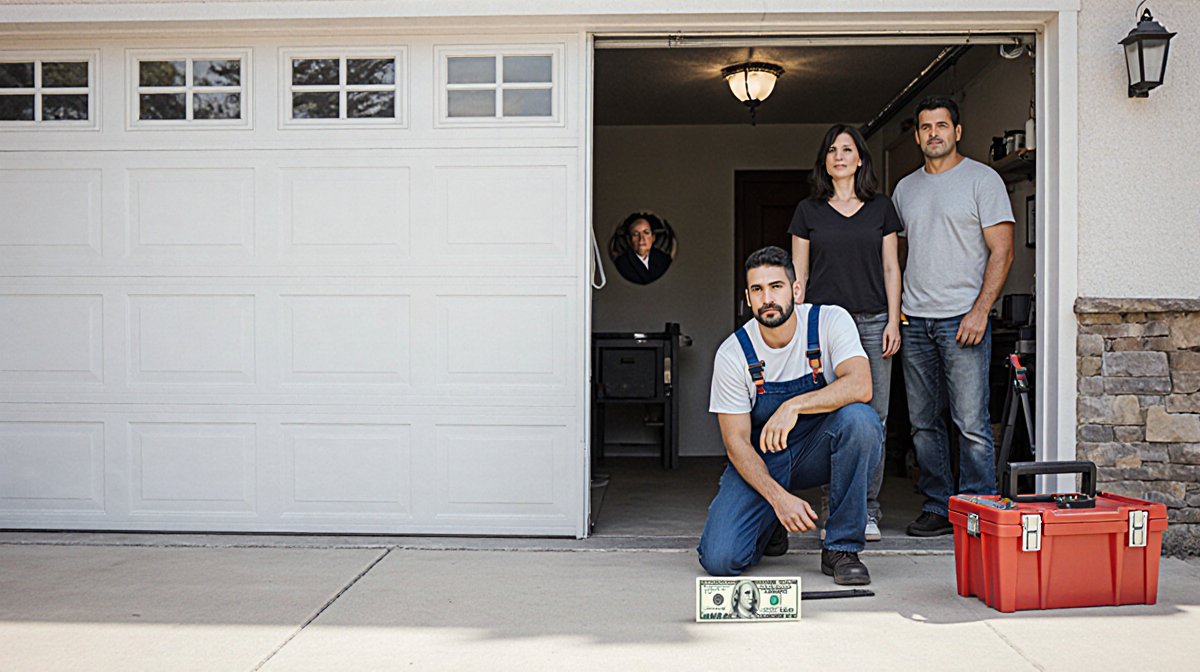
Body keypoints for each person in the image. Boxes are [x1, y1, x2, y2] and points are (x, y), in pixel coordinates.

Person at [697, 246, 882, 585]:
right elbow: (736, 442)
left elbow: (861, 385)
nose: (767, 298)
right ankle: (770, 525)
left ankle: (841, 548)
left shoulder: (829, 321)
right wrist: (778, 500)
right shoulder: (734, 353)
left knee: (861, 421)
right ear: (748, 298)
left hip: (818, 449)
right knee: (720, 560)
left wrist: (792, 406)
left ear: (796, 290)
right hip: (763, 460)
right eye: (757, 290)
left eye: (776, 286)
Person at [892, 96, 1015, 537]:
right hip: (915, 319)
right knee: (923, 423)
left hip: (963, 320)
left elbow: (1003, 250)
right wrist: (896, 312)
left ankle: (978, 508)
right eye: (925, 127)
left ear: (957, 131)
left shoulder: (983, 180)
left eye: (941, 126)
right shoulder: (905, 189)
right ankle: (939, 506)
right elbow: (899, 255)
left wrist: (981, 311)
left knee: (971, 422)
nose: (933, 134)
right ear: (919, 134)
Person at [790, 124, 902, 542]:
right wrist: (799, 325)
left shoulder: (882, 208)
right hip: (825, 326)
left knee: (875, 417)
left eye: (847, 149)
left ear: (860, 159)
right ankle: (834, 509)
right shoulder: (808, 211)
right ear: (825, 161)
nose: (839, 156)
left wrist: (895, 319)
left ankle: (867, 510)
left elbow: (892, 267)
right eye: (832, 150)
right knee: (830, 416)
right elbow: (798, 272)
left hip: (874, 322)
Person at [612, 213, 672, 285]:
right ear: (629, 240)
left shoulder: (664, 259)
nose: (641, 239)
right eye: (636, 234)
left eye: (646, 233)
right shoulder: (621, 263)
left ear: (653, 237)